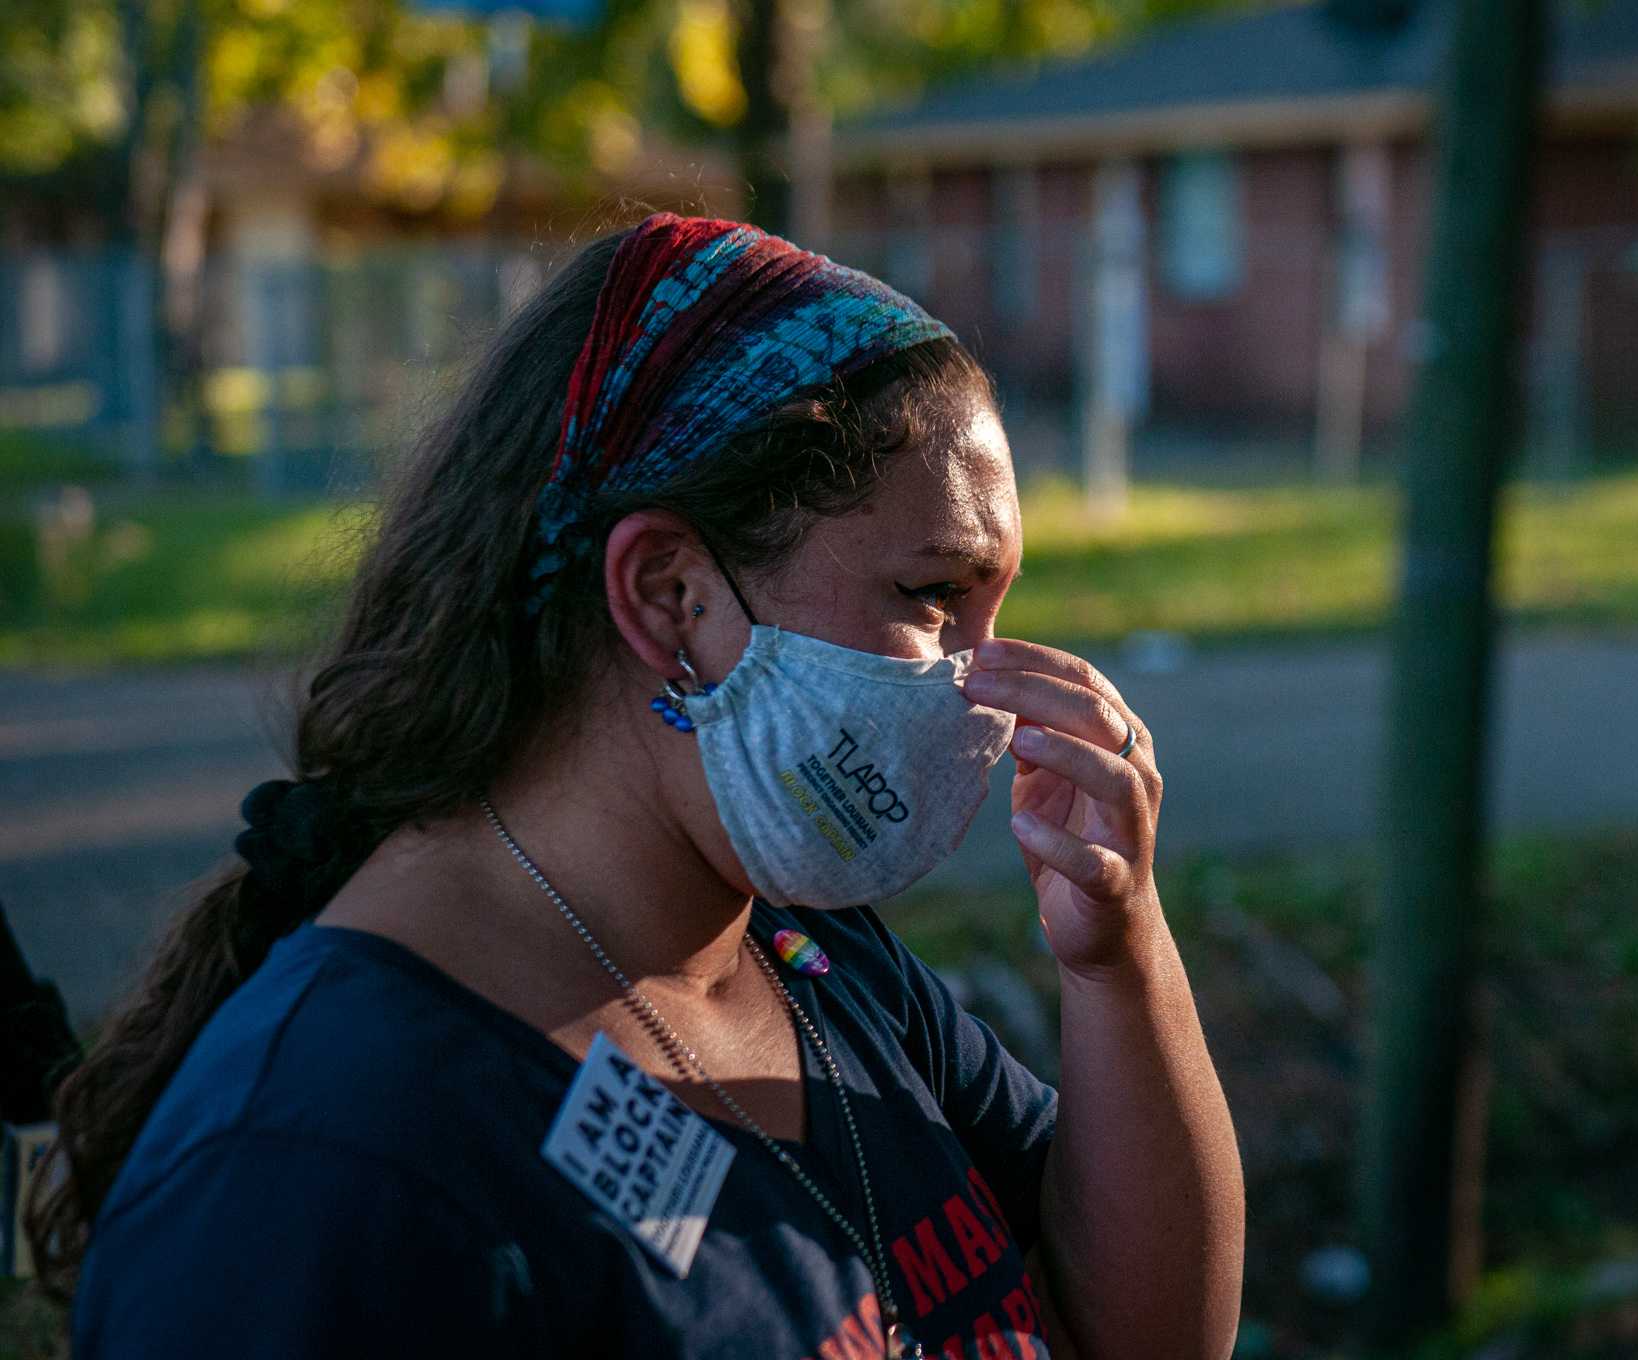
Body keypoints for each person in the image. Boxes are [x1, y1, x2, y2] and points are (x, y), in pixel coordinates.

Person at [28, 213, 1244, 1358]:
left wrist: (1117, 955)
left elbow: (1137, 1335)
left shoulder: (814, 959)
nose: (985, 678)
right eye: (932, 598)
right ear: (671, 597)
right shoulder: (318, 1165)